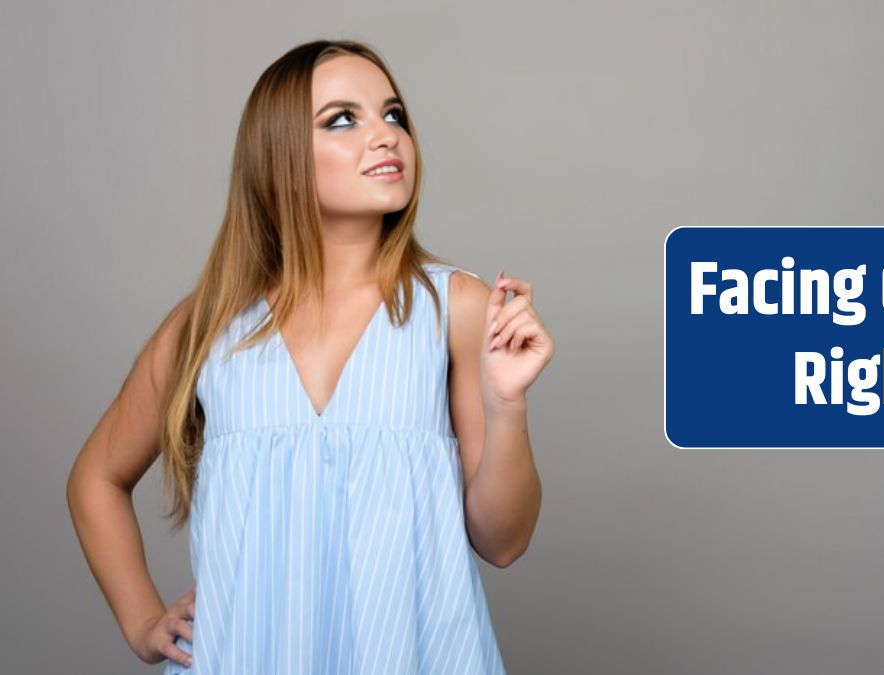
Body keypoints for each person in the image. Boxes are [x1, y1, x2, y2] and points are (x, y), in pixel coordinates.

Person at [65, 39, 552, 674]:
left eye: (394, 114)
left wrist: (506, 403)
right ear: (279, 155)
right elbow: (95, 479)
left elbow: (504, 542)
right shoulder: (207, 326)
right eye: (343, 119)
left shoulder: (453, 306)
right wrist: (142, 620)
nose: (385, 137)